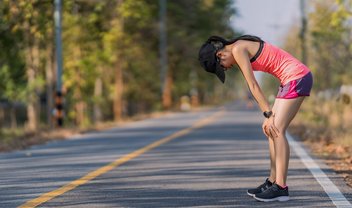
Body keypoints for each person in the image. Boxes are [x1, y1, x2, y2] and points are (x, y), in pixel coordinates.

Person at [198, 35, 313, 202]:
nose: (225, 68)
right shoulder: (238, 48)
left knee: (277, 129)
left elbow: (252, 84)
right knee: (270, 130)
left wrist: (268, 114)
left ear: (220, 55)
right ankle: (272, 181)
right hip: (289, 79)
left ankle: (281, 187)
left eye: (221, 67)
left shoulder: (238, 49)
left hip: (297, 77)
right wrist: (268, 116)